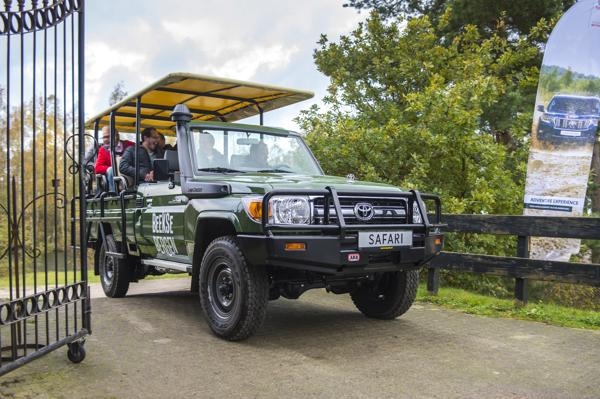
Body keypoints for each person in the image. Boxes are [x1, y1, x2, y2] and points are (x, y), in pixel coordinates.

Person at [94, 126, 134, 192]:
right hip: (114, 176)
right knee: (111, 170)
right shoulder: (103, 150)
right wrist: (115, 168)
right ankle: (113, 194)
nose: (105, 140)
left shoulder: (129, 145)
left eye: (108, 137)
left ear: (117, 136)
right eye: (104, 137)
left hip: (129, 172)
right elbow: (98, 168)